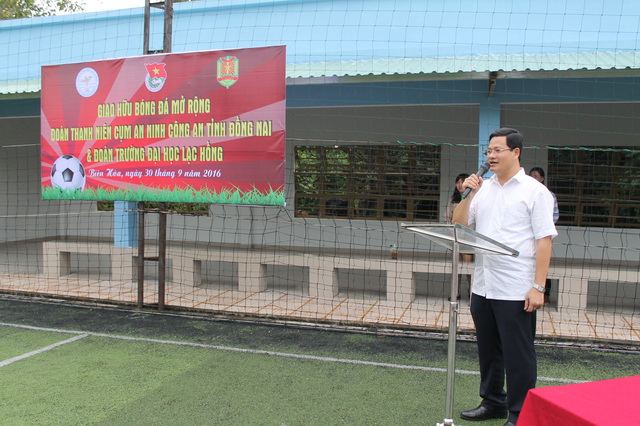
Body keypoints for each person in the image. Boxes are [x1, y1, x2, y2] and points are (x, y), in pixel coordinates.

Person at [452, 128, 557, 426]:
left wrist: (538, 287)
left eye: (498, 150)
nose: (491, 156)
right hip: (483, 284)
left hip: (516, 287)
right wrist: (467, 195)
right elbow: (459, 225)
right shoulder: (483, 189)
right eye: (488, 151)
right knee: (488, 350)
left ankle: (520, 412)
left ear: (516, 152)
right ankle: (493, 401)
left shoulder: (535, 192)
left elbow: (544, 241)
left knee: (518, 354)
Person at [529, 167, 559, 304]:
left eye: (536, 176)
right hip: (528, 237)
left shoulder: (549, 195)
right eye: (531, 175)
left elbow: (555, 216)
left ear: (542, 178)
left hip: (542, 236)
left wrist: (542, 227)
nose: (533, 178)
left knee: (543, 263)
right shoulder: (526, 193)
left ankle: (545, 293)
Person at [444, 173, 472, 299]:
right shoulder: (453, 200)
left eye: (462, 182)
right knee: (456, 267)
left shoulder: (473, 198)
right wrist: (450, 228)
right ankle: (455, 292)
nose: (460, 185)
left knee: (468, 266)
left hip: (469, 239)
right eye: (458, 182)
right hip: (455, 237)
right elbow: (446, 217)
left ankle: (471, 290)